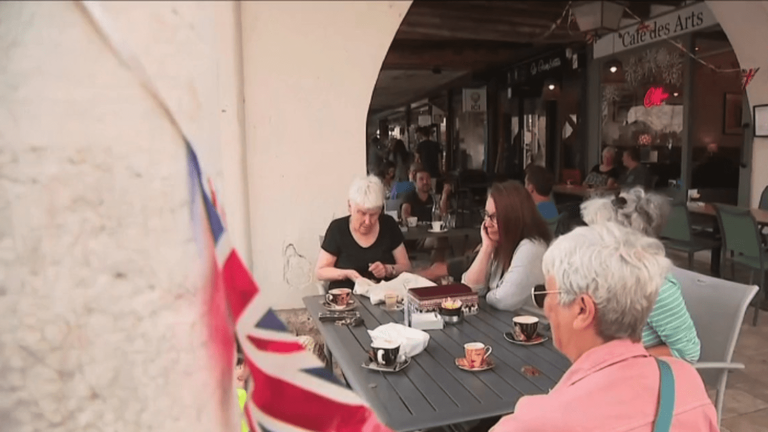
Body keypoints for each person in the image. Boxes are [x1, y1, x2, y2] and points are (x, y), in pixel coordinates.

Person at [491, 223, 718, 431]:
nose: (546, 307)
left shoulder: (538, 421)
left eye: (547, 294)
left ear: (582, 310)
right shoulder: (687, 384)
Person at [580, 187, 701, 363]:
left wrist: (620, 357)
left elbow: (687, 352)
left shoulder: (656, 287)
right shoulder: (604, 274)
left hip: (631, 376)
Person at [462, 181, 552, 311]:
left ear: (514, 218)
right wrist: (486, 248)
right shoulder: (502, 244)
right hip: (502, 323)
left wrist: (487, 294)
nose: (486, 224)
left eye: (494, 217)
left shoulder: (532, 248)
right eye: (486, 215)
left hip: (533, 329)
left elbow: (504, 300)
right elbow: (469, 289)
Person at [316, 176, 411, 290]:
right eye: (361, 213)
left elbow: (406, 267)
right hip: (347, 298)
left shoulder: (388, 224)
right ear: (350, 207)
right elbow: (320, 272)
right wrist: (347, 274)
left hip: (385, 296)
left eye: (373, 214)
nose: (367, 221)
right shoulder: (337, 229)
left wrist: (387, 269)